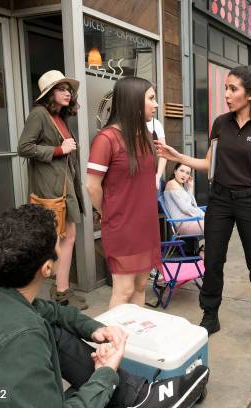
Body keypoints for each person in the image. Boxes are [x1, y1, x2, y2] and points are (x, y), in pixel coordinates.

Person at [0, 204, 209, 408]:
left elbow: (50, 311)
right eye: (58, 240)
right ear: (47, 267)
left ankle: (137, 396)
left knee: (53, 327)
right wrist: (104, 375)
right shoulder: (19, 340)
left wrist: (94, 329)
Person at [155, 65, 251, 345]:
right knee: (213, 259)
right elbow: (208, 164)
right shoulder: (221, 123)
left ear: (250, 94)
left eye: (233, 89)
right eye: (226, 88)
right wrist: (178, 155)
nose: (226, 94)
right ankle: (210, 314)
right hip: (220, 199)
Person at [86, 77, 162, 309]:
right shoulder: (106, 139)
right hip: (122, 226)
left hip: (146, 224)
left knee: (140, 287)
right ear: (133, 102)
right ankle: (115, 341)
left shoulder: (146, 135)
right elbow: (91, 186)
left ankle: (134, 341)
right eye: (151, 98)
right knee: (124, 289)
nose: (156, 104)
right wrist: (107, 212)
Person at [17, 70, 87, 310]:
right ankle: (34, 292)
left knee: (70, 237)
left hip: (65, 186)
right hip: (50, 189)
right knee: (53, 241)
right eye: (61, 89)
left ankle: (62, 292)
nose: (67, 93)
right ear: (49, 94)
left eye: (68, 89)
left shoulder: (60, 117)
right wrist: (58, 150)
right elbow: (24, 147)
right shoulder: (39, 114)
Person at [164, 163, 205, 236]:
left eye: (187, 173)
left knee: (219, 224)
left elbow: (193, 205)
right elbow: (186, 209)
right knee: (216, 226)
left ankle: (209, 247)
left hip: (191, 220)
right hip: (183, 224)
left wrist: (190, 187)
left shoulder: (180, 185)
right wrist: (203, 214)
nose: (184, 175)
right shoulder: (172, 184)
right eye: (181, 171)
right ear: (175, 171)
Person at [147, 117, 168, 190]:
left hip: (153, 174)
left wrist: (157, 176)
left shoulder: (156, 124)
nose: (156, 105)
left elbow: (163, 153)